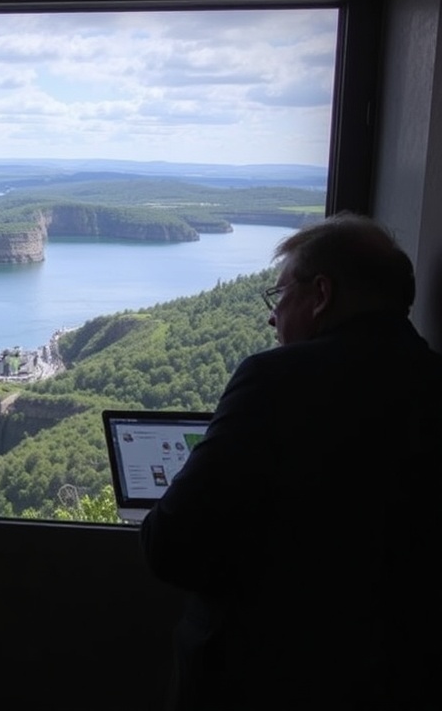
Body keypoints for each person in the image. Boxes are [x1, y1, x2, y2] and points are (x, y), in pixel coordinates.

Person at [140, 213, 442, 710]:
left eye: (279, 295)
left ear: (321, 294)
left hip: (259, 678)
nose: (272, 316)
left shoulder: (273, 381)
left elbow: (170, 545)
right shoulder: (433, 383)